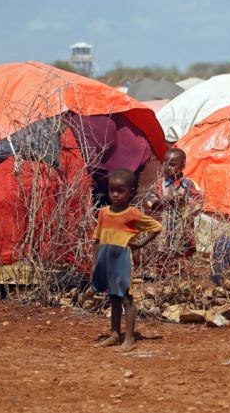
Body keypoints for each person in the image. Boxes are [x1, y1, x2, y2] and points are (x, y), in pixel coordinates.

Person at [92, 168, 162, 352]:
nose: (114, 195)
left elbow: (156, 227)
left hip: (121, 259)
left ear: (131, 191)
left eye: (120, 191)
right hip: (105, 258)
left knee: (126, 298)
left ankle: (129, 338)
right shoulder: (103, 213)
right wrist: (94, 264)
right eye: (111, 190)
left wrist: (139, 245)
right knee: (113, 297)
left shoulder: (132, 214)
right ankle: (115, 334)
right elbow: (97, 239)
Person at [146, 148, 203, 277]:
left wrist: (183, 202)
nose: (168, 167)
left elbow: (199, 202)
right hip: (163, 228)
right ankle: (161, 276)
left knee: (182, 252)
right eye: (165, 163)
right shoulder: (159, 184)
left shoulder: (189, 184)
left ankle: (181, 278)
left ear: (182, 166)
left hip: (182, 228)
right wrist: (162, 201)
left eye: (172, 164)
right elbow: (149, 201)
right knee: (161, 251)